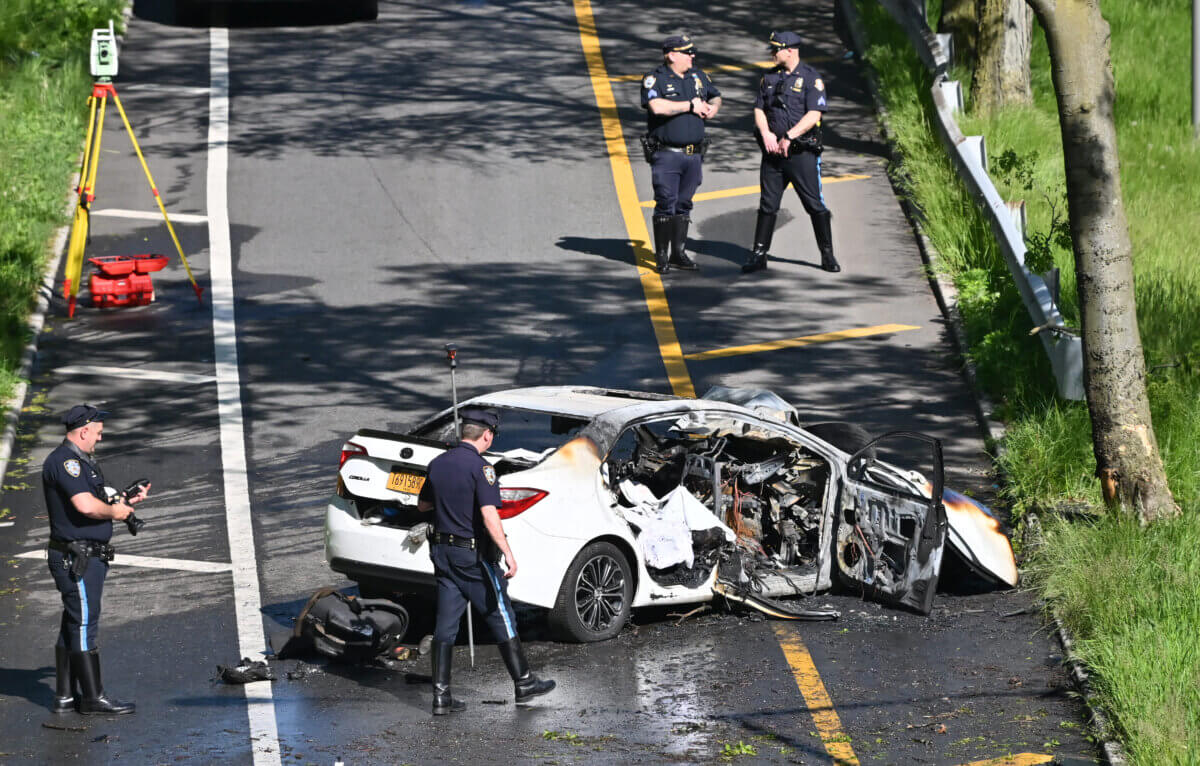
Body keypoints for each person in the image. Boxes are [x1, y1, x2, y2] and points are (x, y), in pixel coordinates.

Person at [416, 408, 555, 715]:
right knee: (501, 612)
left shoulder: (437, 464)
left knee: (446, 623)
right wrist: (507, 551)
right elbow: (489, 514)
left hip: (442, 553)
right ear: (487, 435)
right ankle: (524, 682)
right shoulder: (483, 468)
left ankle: (441, 696)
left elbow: (423, 504)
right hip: (472, 555)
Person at [43, 404, 150, 715]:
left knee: (73, 622)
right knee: (84, 623)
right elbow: (86, 506)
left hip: (85, 555)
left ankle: (65, 696)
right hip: (77, 558)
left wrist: (125, 502)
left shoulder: (80, 462)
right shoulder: (66, 463)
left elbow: (97, 501)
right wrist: (114, 512)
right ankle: (92, 698)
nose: (100, 439)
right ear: (84, 430)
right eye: (98, 433)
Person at [743, 30, 840, 274]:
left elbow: (814, 114)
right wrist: (765, 133)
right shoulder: (769, 78)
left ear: (790, 50)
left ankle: (827, 254)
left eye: (776, 50)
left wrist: (790, 136)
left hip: (800, 154)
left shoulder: (810, 78)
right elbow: (759, 108)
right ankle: (759, 254)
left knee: (814, 204)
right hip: (773, 154)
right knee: (768, 205)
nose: (772, 54)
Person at [640, 34, 722, 274]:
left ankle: (679, 253)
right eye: (687, 53)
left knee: (684, 204)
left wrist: (713, 107)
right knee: (666, 202)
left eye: (692, 52)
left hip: (694, 154)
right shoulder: (654, 79)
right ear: (671, 55)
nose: (692, 56)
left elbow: (715, 94)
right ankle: (663, 257)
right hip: (667, 154)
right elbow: (656, 106)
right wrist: (690, 106)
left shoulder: (698, 76)